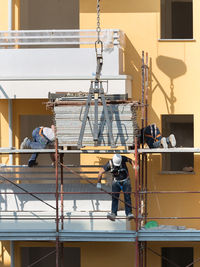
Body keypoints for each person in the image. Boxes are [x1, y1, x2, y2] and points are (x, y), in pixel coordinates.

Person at [97, 154, 134, 221]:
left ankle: (129, 213)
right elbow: (100, 172)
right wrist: (99, 183)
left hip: (125, 180)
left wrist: (134, 166)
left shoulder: (122, 158)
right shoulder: (109, 163)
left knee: (127, 197)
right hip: (116, 182)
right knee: (115, 197)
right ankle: (113, 213)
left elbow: (130, 160)